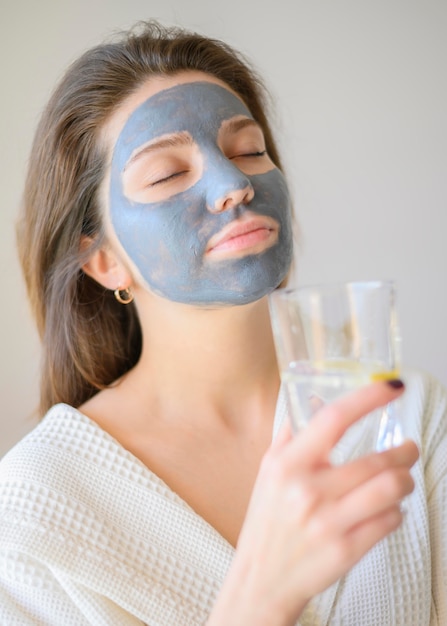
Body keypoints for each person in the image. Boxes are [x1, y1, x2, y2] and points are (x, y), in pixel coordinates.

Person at [0, 19, 444, 625]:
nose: (235, 184)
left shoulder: (410, 419)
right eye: (166, 174)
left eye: (249, 150)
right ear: (103, 261)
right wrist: (261, 598)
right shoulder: (33, 513)